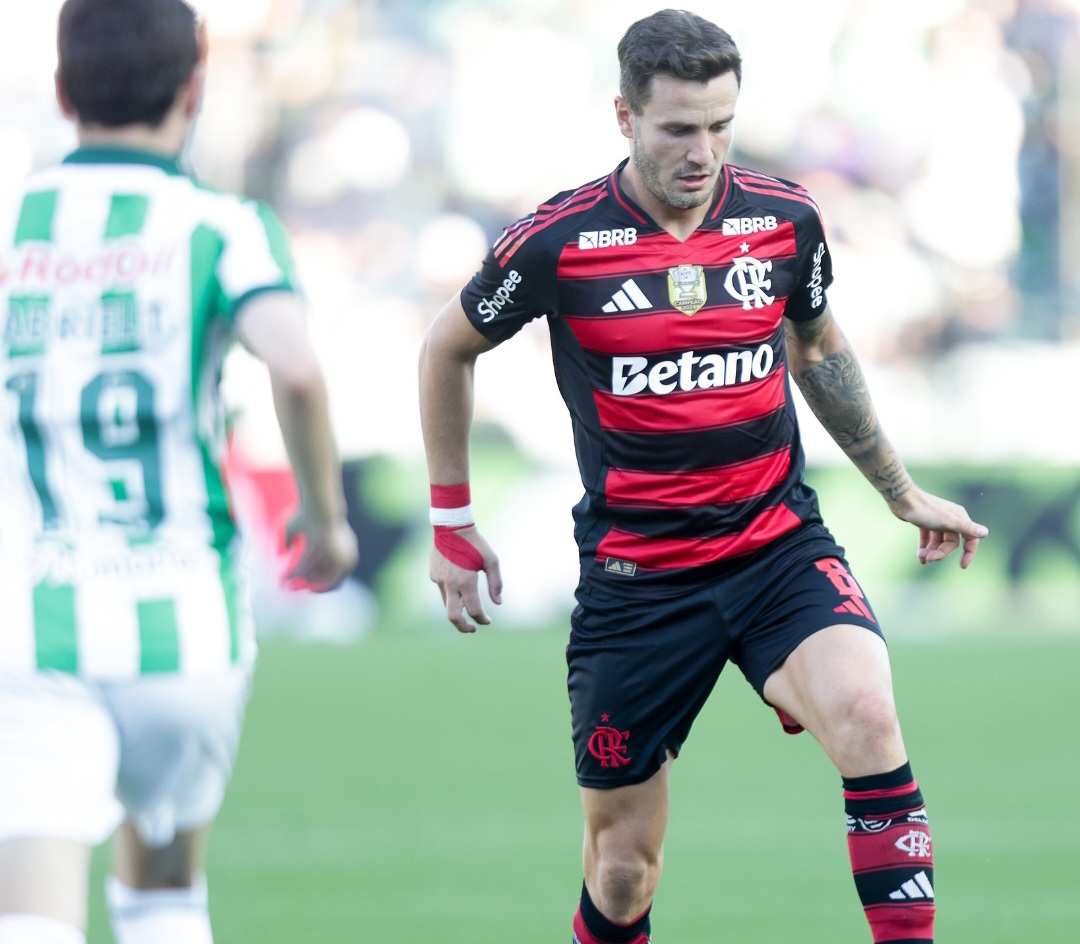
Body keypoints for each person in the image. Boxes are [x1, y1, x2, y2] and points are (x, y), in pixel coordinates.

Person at [418, 9, 988, 944]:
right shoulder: (559, 242)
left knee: (867, 714)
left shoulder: (782, 220)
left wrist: (898, 489)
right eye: (679, 128)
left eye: (721, 125)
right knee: (622, 870)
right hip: (639, 583)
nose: (704, 151)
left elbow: (819, 349)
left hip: (776, 550)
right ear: (624, 115)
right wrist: (451, 519)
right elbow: (447, 347)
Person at [0, 1, 358, 943]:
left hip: (35, 618)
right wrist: (326, 525)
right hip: (186, 625)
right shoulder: (221, 224)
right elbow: (296, 366)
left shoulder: (13, 222)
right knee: (162, 890)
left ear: (64, 90)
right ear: (196, 87)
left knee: (32, 904)